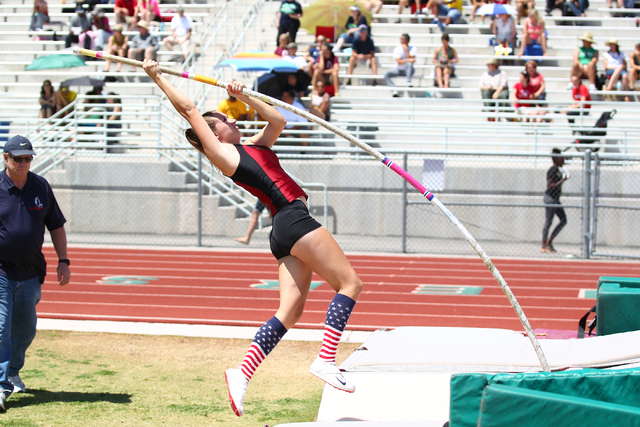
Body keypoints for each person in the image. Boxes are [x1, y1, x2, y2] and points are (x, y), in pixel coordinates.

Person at [142, 58, 363, 417]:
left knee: (289, 313)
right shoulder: (224, 154)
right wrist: (157, 76)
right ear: (213, 135)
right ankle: (325, 360)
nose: (232, 119)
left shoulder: (254, 146)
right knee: (350, 284)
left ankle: (241, 376)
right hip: (292, 217)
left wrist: (247, 98)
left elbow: (278, 120)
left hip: (283, 227)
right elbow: (189, 109)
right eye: (225, 121)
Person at [0, 135, 70, 412]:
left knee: (25, 329)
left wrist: (63, 260)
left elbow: (56, 225)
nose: (24, 163)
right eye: (18, 158)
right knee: (1, 327)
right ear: (6, 158)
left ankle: (12, 371)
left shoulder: (40, 185)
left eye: (28, 158)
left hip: (30, 272)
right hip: (1, 270)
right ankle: (1, 385)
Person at [542, 148, 569, 253]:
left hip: (556, 199)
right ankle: (544, 244)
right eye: (561, 158)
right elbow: (550, 186)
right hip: (551, 198)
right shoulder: (552, 170)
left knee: (563, 220)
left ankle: (549, 240)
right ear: (557, 159)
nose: (563, 160)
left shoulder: (558, 170)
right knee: (548, 221)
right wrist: (562, 180)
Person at [384, 33, 417, 98]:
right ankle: (394, 90)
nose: (401, 40)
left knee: (409, 64)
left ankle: (408, 82)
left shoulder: (413, 48)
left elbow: (412, 60)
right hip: (398, 70)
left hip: (408, 70)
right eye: (400, 39)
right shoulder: (397, 49)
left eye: (402, 39)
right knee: (386, 74)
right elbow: (399, 62)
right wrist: (409, 60)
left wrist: (406, 50)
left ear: (407, 40)